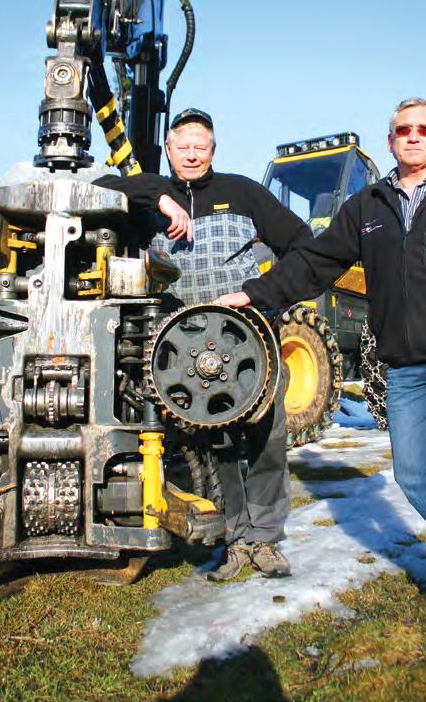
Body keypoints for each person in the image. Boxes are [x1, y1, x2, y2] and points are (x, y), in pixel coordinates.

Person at [217, 97, 426, 629]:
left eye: (424, 129)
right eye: (402, 130)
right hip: (406, 365)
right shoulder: (367, 206)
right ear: (391, 141)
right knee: (417, 475)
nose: (413, 136)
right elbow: (317, 262)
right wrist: (257, 293)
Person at [96, 108, 313, 580]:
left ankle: (266, 539)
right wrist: (158, 197)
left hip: (249, 340)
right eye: (182, 146)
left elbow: (303, 242)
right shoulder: (151, 203)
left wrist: (264, 295)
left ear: (213, 151)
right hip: (186, 353)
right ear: (169, 152)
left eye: (201, 146)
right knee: (215, 446)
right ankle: (234, 539)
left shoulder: (243, 193)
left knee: (265, 441)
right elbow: (98, 191)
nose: (192, 154)